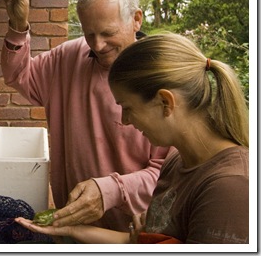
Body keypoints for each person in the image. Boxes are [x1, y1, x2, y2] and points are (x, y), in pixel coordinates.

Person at [16, 33, 249, 244]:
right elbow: (134, 242)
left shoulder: (230, 187)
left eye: (127, 107)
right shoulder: (176, 160)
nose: (125, 120)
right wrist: (73, 229)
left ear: (165, 103)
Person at [2, 0, 170, 231]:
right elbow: (17, 75)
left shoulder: (162, 79)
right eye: (89, 33)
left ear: (136, 19)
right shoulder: (68, 57)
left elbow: (168, 176)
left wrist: (110, 191)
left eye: (108, 33)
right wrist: (18, 24)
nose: (98, 45)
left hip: (132, 236)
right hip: (70, 226)